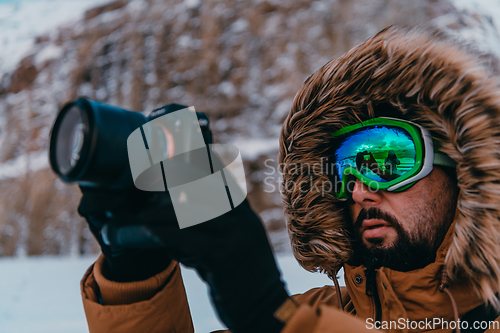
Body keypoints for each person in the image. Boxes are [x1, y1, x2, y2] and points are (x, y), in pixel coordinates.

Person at [79, 25, 500, 332]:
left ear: (465, 170)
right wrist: (134, 279)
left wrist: (275, 319)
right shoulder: (316, 313)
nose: (358, 188)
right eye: (343, 168)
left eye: (389, 161)